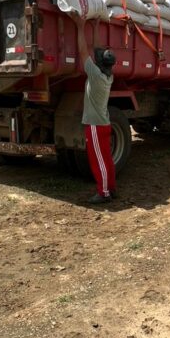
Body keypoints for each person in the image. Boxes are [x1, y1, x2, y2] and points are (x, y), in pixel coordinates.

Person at [74, 15, 117, 204]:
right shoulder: (107, 75)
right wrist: (96, 26)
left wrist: (80, 26)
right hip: (103, 124)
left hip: (95, 125)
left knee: (98, 161)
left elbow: (84, 51)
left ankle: (104, 192)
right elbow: (96, 51)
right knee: (106, 159)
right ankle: (110, 188)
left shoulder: (96, 76)